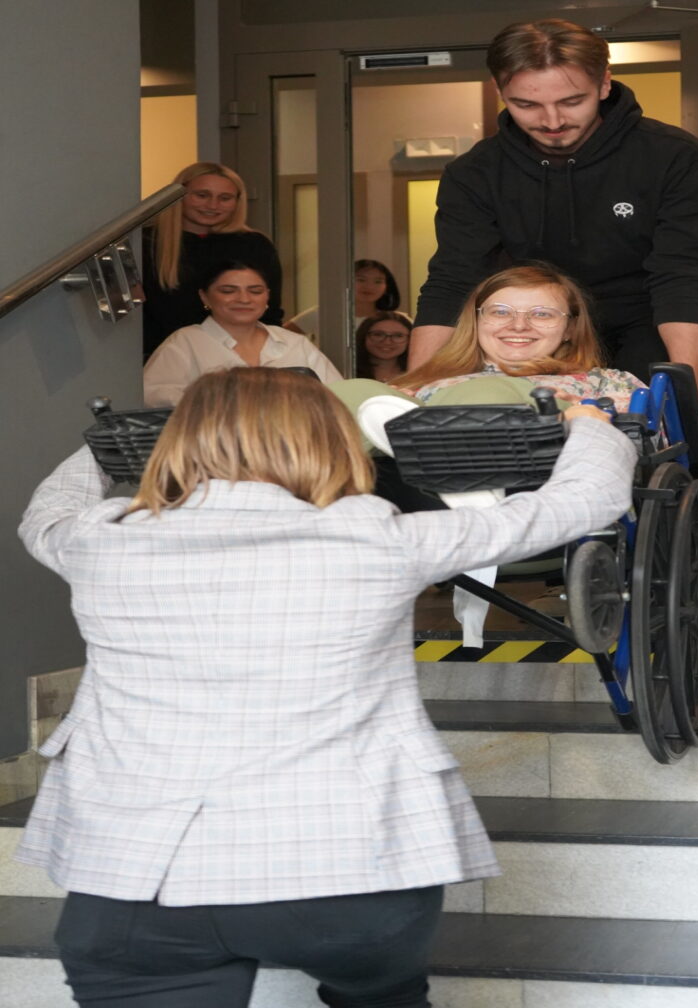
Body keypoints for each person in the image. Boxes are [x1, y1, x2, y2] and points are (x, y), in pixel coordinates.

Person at [18, 367, 636, 1008]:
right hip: (346, 871)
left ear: (177, 443)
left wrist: (102, 448)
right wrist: (589, 428)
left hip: (136, 876)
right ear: (331, 440)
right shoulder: (381, 538)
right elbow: (580, 501)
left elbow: (47, 514)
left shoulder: (101, 541)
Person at [408, 18, 698, 389]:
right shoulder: (475, 172)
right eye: (526, 104)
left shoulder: (678, 158)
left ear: (604, 83)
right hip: (542, 319)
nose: (552, 121)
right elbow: (453, 281)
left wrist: (686, 397)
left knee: (643, 407)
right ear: (499, 90)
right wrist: (415, 391)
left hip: (651, 312)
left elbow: (681, 279)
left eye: (572, 102)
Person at [333, 264, 644, 434]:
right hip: (409, 489)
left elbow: (647, 450)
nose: (519, 326)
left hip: (538, 488)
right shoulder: (427, 383)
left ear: (570, 329)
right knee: (354, 393)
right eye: (500, 312)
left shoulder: (610, 383)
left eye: (542, 314)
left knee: (485, 394)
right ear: (476, 321)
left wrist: (582, 416)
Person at [143, 261, 342, 406]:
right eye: (228, 291)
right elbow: (153, 401)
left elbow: (338, 397)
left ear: (267, 297)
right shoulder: (185, 342)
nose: (244, 299)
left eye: (255, 291)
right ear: (205, 296)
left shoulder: (295, 343)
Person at [142, 161, 284, 360]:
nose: (212, 205)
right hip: (164, 358)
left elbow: (270, 312)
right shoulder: (145, 244)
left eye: (225, 198)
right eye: (202, 195)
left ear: (237, 202)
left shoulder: (254, 245)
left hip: (240, 359)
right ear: (178, 195)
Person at [355, 310, 412, 381]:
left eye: (398, 336)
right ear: (363, 337)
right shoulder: (347, 373)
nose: (387, 342)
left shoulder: (419, 375)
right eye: (378, 334)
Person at [355, 258, 401, 322]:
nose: (369, 287)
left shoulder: (394, 321)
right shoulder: (340, 317)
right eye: (361, 280)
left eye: (378, 282)